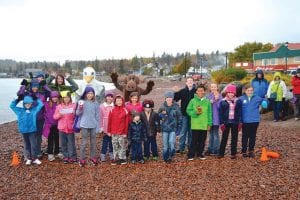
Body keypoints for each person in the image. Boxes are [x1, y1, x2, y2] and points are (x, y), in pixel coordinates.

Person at [10, 96, 44, 165]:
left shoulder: (34, 110)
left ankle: (35, 158)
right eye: (26, 103)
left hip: (32, 131)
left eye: (29, 104)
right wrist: (18, 99)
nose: (28, 105)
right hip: (24, 131)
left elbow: (41, 105)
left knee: (33, 144)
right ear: (24, 104)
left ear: (31, 104)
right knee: (27, 145)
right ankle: (28, 158)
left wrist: (36, 98)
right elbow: (12, 106)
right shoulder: (19, 111)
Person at [186, 84, 212, 161]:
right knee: (194, 140)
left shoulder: (207, 101)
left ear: (204, 92)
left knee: (202, 140)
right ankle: (191, 154)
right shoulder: (192, 101)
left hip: (204, 124)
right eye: (199, 90)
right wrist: (195, 113)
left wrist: (209, 123)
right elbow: (188, 110)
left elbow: (210, 113)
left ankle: (200, 153)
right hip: (195, 124)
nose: (200, 92)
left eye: (202, 91)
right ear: (196, 91)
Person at [240, 85, 267, 158]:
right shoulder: (241, 99)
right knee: (245, 136)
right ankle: (244, 151)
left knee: (252, 136)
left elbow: (264, 102)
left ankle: (251, 151)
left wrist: (265, 101)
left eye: (251, 90)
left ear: (253, 91)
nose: (250, 92)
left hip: (255, 120)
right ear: (245, 91)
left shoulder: (257, 98)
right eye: (248, 90)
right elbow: (237, 109)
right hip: (245, 121)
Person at [76, 87, 100, 167]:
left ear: (93, 94)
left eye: (92, 93)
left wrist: (98, 126)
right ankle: (82, 158)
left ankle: (92, 157)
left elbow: (97, 115)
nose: (90, 95)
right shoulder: (82, 102)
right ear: (86, 94)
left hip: (93, 125)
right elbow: (77, 113)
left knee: (93, 142)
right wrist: (80, 108)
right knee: (84, 142)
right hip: (84, 125)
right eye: (88, 93)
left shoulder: (96, 103)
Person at [218, 84, 242, 159]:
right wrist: (221, 123)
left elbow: (240, 112)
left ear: (234, 93)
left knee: (234, 138)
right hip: (226, 122)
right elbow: (220, 113)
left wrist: (240, 122)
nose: (231, 94)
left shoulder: (238, 101)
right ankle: (221, 153)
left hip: (235, 122)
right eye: (229, 92)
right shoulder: (223, 101)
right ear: (227, 93)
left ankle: (233, 153)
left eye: (232, 93)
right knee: (224, 138)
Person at [173, 77, 196, 154]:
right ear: (186, 83)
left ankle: (190, 146)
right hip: (184, 114)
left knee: (191, 131)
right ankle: (181, 147)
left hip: (193, 115)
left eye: (191, 81)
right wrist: (175, 92)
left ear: (193, 82)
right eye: (188, 81)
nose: (190, 82)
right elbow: (175, 99)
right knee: (183, 131)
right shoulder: (183, 91)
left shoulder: (196, 91)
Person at [53, 91, 77, 164]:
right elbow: (54, 117)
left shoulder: (74, 105)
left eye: (68, 97)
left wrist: (74, 113)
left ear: (70, 98)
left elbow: (77, 115)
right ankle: (66, 156)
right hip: (61, 128)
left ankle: (73, 157)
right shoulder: (59, 106)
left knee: (71, 143)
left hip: (70, 127)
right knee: (63, 143)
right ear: (62, 98)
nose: (66, 99)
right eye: (65, 98)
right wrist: (60, 114)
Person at [158, 91, 182, 163]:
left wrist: (178, 130)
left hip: (173, 129)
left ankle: (171, 155)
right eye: (167, 98)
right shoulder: (162, 107)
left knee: (171, 142)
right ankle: (166, 158)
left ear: (172, 98)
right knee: (165, 145)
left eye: (170, 98)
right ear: (165, 98)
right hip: (165, 129)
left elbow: (180, 118)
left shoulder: (176, 107)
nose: (169, 99)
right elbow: (158, 117)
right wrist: (162, 115)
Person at [107, 95, 130, 165]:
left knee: (122, 145)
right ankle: (115, 158)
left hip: (122, 132)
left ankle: (122, 158)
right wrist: (109, 131)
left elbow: (126, 123)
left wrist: (125, 132)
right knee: (114, 145)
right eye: (117, 101)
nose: (119, 102)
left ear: (122, 101)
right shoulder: (112, 110)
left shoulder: (125, 110)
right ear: (115, 102)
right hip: (113, 132)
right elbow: (109, 121)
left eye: (120, 101)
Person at [43, 91, 60, 161]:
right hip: (49, 125)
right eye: (53, 97)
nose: (55, 99)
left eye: (56, 97)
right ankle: (50, 152)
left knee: (57, 138)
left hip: (57, 124)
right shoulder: (46, 104)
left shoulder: (59, 104)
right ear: (50, 97)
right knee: (50, 139)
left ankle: (57, 151)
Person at [205, 83, 222, 156]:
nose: (213, 88)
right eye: (212, 87)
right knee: (210, 134)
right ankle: (210, 148)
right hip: (209, 119)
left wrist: (217, 100)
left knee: (215, 134)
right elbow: (205, 107)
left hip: (216, 118)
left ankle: (216, 149)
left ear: (217, 87)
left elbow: (220, 107)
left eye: (214, 87)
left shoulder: (220, 96)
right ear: (210, 88)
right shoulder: (208, 96)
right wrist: (209, 103)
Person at [99, 91, 115, 162]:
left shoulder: (114, 106)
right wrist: (101, 127)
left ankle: (111, 154)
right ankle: (103, 154)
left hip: (112, 127)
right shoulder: (102, 106)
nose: (109, 98)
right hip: (105, 126)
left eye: (111, 96)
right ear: (105, 97)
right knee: (105, 142)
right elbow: (100, 117)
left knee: (112, 141)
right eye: (108, 96)